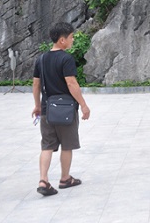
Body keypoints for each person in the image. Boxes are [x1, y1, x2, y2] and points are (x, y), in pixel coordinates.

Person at [31, 22, 91, 196]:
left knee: (47, 146)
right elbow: (71, 83)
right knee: (67, 145)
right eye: (71, 37)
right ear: (62, 40)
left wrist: (37, 105)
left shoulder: (41, 59)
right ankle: (65, 178)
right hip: (65, 110)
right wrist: (84, 105)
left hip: (47, 109)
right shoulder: (66, 59)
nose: (73, 40)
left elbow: (36, 85)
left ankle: (43, 180)